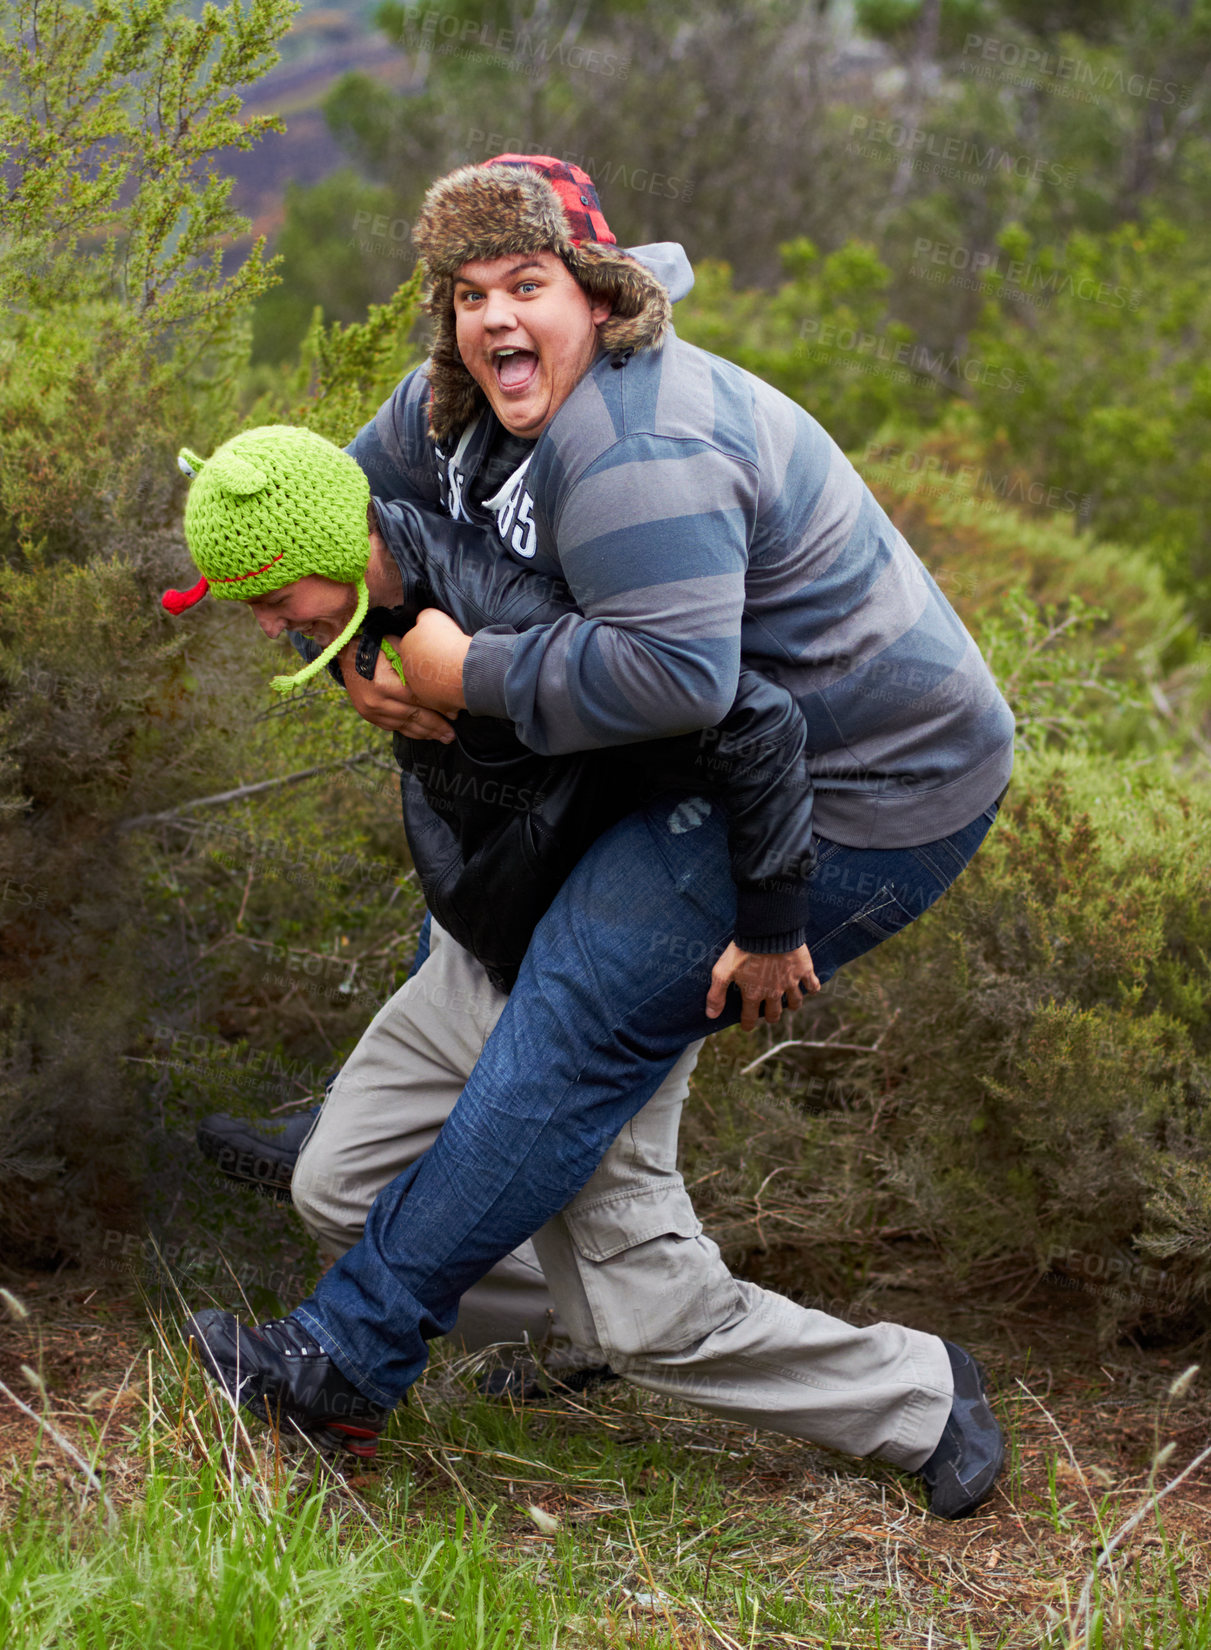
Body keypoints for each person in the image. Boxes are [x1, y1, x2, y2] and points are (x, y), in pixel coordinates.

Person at [177, 156, 1013, 1519]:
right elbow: (328, 527)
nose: (498, 318)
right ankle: (549, 1300)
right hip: (680, 760)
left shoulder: (636, 444)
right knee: (503, 965)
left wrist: (464, 681)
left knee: (568, 1022)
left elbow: (692, 685)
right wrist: (354, 657)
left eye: (529, 285)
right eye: (469, 293)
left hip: (858, 781)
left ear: (601, 294)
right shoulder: (449, 411)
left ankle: (347, 1356)